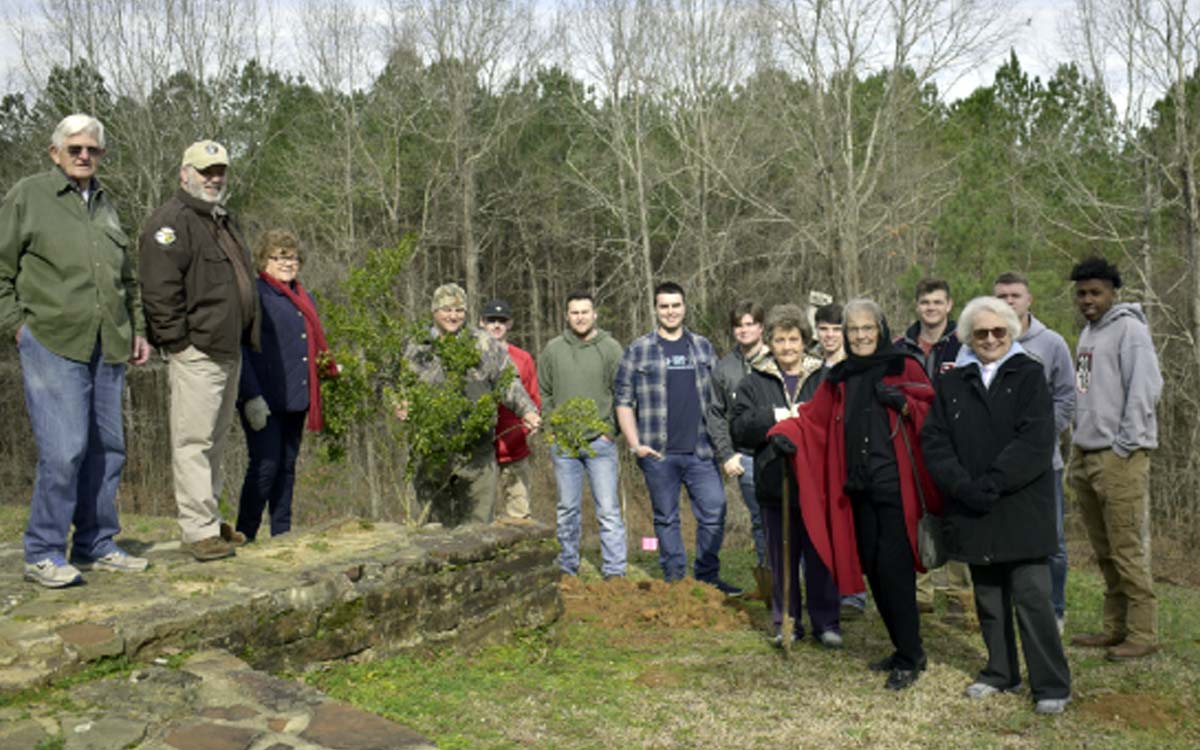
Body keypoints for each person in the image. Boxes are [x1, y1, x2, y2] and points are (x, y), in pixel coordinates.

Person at [0, 114, 151, 586]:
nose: (84, 156)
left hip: (109, 342)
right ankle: (43, 551)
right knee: (64, 450)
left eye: (93, 149)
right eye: (75, 148)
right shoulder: (28, 196)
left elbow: (127, 277)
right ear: (55, 152)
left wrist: (137, 329)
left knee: (108, 449)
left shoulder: (107, 204)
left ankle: (96, 542)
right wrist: (17, 326)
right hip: (52, 340)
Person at [769, 299, 940, 690]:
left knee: (895, 570)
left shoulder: (903, 366)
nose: (861, 336)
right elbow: (812, 420)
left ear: (881, 329)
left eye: (867, 328)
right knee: (875, 569)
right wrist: (782, 433)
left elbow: (934, 414)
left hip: (895, 487)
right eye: (854, 330)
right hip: (858, 489)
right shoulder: (840, 377)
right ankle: (902, 647)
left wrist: (905, 405)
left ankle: (911, 654)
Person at [922, 296, 1072, 715]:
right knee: (988, 597)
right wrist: (962, 485)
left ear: (1012, 332)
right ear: (968, 337)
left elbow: (1035, 440)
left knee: (1033, 597)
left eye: (998, 331)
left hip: (1021, 504)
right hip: (971, 505)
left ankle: (1051, 684)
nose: (990, 339)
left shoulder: (1029, 375)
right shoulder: (952, 382)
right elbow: (934, 440)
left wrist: (993, 482)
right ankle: (1000, 672)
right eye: (981, 333)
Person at [141, 139, 260, 562]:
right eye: (206, 171)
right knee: (193, 440)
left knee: (215, 441)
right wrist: (179, 343)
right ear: (184, 174)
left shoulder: (221, 219)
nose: (214, 179)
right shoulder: (170, 223)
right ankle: (198, 529)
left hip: (228, 349)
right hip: (197, 351)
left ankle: (209, 518)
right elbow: (159, 292)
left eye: (219, 172)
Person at [1067, 256, 1163, 661]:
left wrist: (1125, 446)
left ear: (1112, 293)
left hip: (1119, 456)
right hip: (1086, 454)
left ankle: (1143, 632)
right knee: (1104, 549)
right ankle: (1115, 628)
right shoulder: (1089, 334)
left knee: (1126, 547)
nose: (1088, 300)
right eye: (1082, 293)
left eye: (1096, 292)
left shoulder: (1130, 330)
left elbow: (1146, 390)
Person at [615, 281, 739, 594]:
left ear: (684, 307)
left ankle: (707, 577)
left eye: (676, 305)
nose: (670, 312)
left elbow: (718, 400)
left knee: (714, 511)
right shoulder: (638, 349)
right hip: (658, 453)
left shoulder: (703, 347)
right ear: (656, 309)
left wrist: (725, 444)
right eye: (664, 306)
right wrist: (635, 445)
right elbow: (623, 401)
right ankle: (675, 581)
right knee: (666, 519)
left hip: (701, 451)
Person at [731, 304, 840, 647]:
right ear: (770, 343)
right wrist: (774, 417)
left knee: (820, 555)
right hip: (774, 481)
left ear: (804, 341)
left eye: (793, 339)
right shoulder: (754, 381)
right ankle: (786, 621)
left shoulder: (824, 379)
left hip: (817, 483)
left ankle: (826, 623)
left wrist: (807, 420)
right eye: (780, 340)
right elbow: (739, 427)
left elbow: (838, 422)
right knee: (782, 557)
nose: (787, 347)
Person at [397, 283, 540, 526]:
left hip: (477, 452)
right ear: (434, 311)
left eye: (459, 310)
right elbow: (397, 383)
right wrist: (399, 402)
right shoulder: (416, 346)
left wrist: (528, 410)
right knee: (434, 528)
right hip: (431, 452)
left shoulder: (485, 344)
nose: (453, 316)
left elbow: (508, 382)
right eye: (447, 310)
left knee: (478, 528)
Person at [235, 230, 336, 541]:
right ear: (264, 260)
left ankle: (282, 533)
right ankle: (246, 532)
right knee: (265, 465)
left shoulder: (305, 297)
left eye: (292, 257)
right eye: (279, 257)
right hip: (263, 396)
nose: (287, 263)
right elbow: (241, 347)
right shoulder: (255, 295)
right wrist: (250, 395)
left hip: (296, 395)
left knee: (287, 467)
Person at [994, 272, 1076, 633]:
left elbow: (1067, 397)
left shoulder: (1051, 343)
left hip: (1043, 462)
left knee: (1052, 540)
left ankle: (1054, 610)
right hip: (997, 463)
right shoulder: (986, 340)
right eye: (1002, 296)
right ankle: (1009, 606)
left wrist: (1039, 438)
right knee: (1004, 538)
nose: (1009, 301)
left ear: (1029, 300)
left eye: (1015, 295)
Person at [895, 277, 972, 619]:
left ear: (949, 305)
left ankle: (959, 594)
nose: (931, 308)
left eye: (938, 302)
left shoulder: (964, 343)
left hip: (955, 442)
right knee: (915, 511)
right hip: (912, 441)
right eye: (925, 302)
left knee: (955, 512)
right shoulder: (901, 347)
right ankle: (921, 590)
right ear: (917, 306)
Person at [539, 291, 628, 578]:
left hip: (599, 443)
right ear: (567, 316)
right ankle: (567, 566)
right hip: (564, 444)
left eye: (585, 312)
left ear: (594, 314)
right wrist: (551, 430)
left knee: (608, 510)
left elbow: (622, 392)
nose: (580, 317)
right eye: (575, 312)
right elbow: (544, 392)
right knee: (567, 509)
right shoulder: (553, 350)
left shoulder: (611, 348)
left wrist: (610, 431)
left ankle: (615, 570)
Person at [798, 303, 869, 617]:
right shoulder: (810, 369)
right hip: (816, 458)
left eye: (836, 329)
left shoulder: (854, 367)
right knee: (818, 524)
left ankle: (853, 594)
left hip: (847, 456)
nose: (829, 335)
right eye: (823, 329)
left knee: (848, 525)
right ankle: (823, 590)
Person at [708, 301, 770, 596]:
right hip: (745, 456)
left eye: (750, 324)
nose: (744, 330)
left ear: (761, 327)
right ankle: (770, 583)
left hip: (778, 453)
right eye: (738, 325)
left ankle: (801, 582)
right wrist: (726, 454)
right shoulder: (724, 368)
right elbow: (716, 414)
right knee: (760, 521)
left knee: (791, 519)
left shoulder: (778, 359)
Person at [479, 298, 542, 521]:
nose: (496, 325)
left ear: (510, 324)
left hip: (514, 447)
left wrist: (525, 428)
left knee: (519, 513)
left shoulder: (522, 358)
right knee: (478, 516)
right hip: (479, 450)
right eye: (491, 320)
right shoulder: (470, 357)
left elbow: (533, 397)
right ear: (482, 322)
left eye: (502, 321)